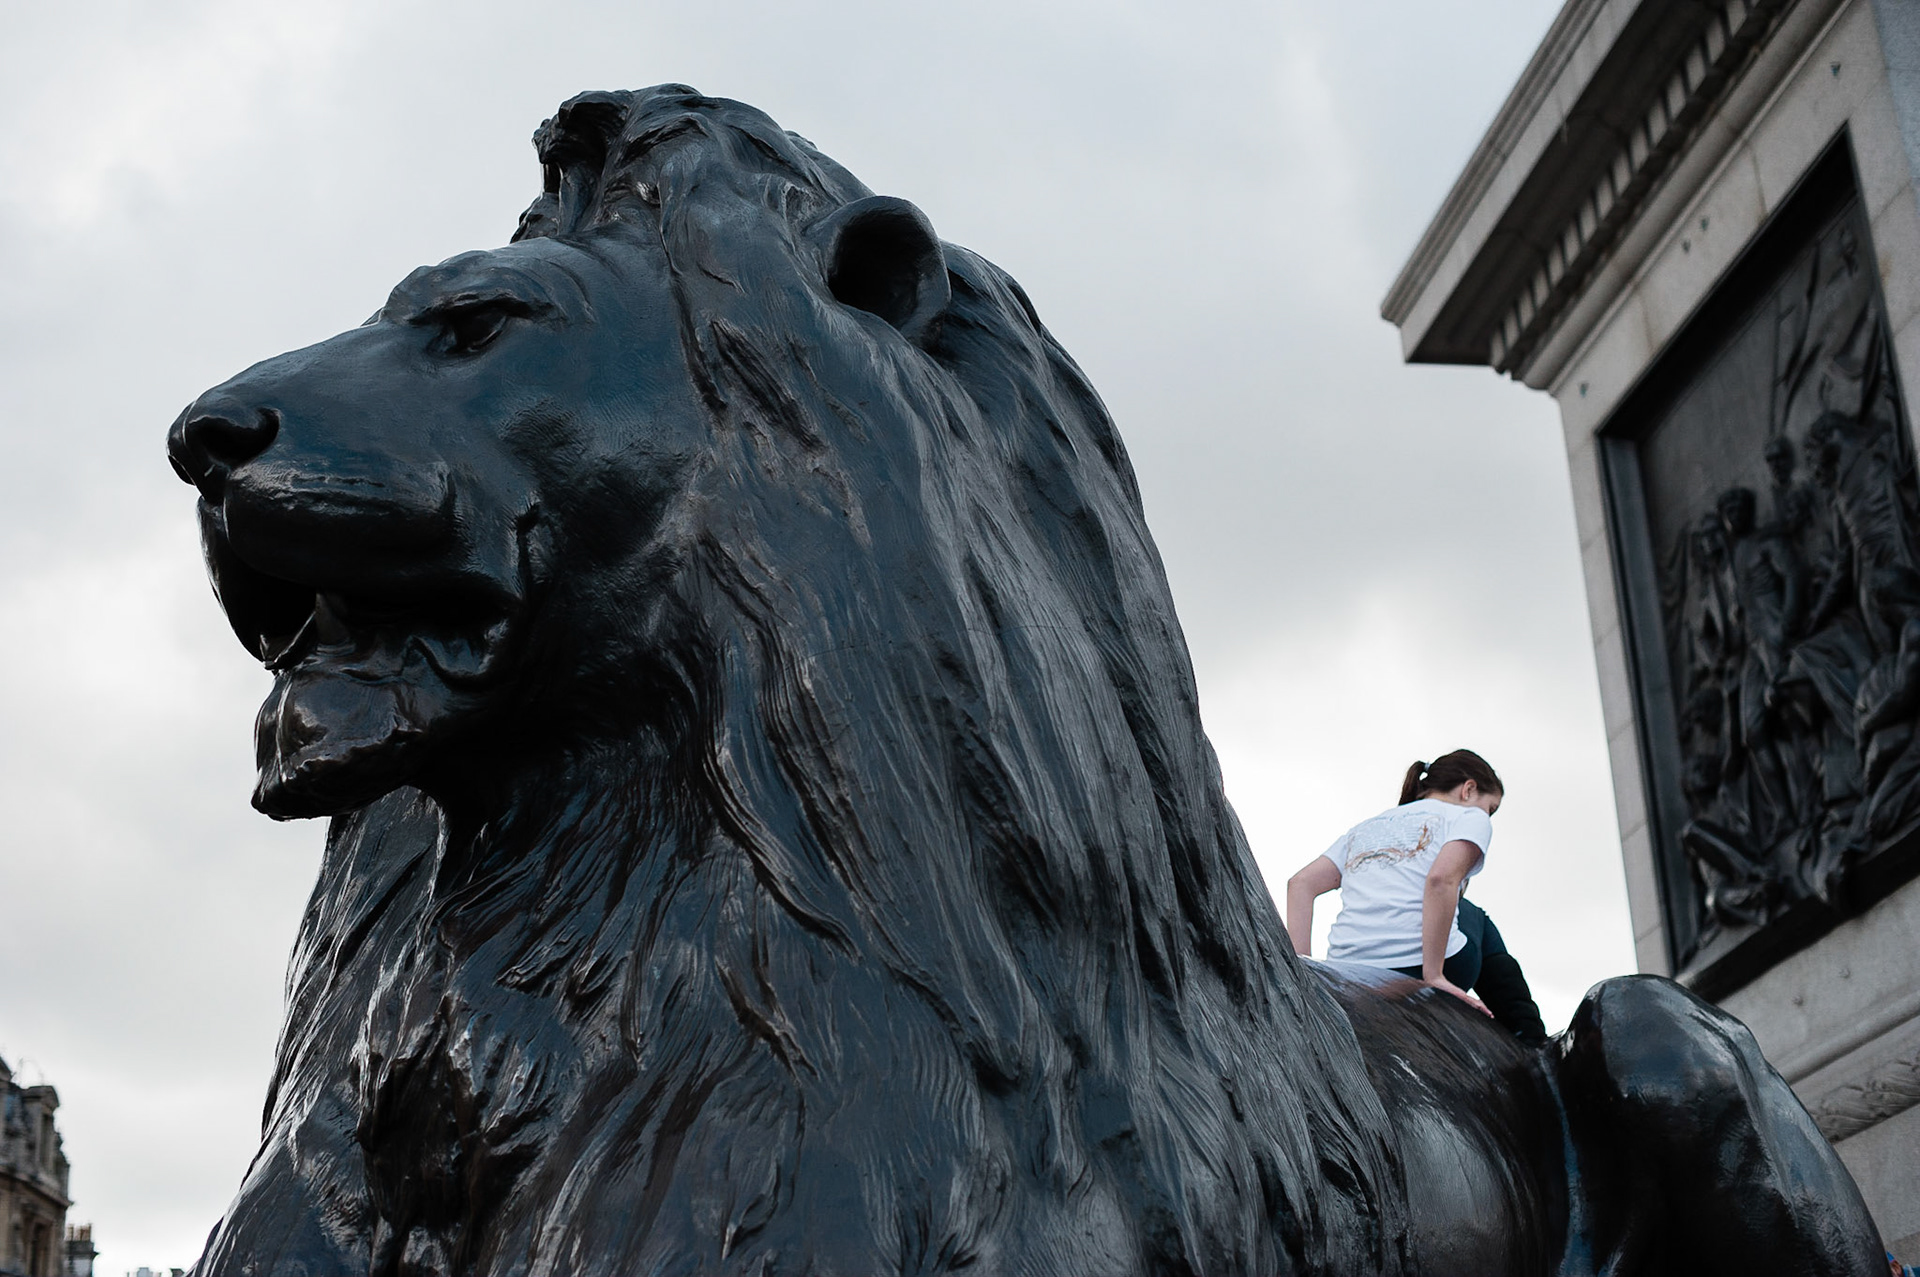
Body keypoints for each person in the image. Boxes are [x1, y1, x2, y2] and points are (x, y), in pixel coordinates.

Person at [1288, 750, 1547, 1045]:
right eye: (1491, 807)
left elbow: (1300, 883)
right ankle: (1530, 1037)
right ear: (1469, 789)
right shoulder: (1470, 816)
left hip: (1346, 972)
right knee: (1474, 915)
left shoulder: (1367, 826)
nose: (1487, 815)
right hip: (1419, 967)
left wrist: (1303, 969)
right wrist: (1434, 975)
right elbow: (1441, 880)